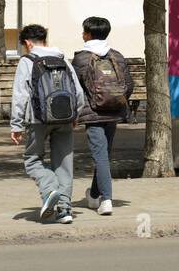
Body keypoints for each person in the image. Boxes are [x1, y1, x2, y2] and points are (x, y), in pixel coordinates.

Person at [10, 24, 85, 224]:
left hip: (37, 118)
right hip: (65, 118)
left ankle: (50, 188)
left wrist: (16, 125)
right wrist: (76, 113)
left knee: (32, 159)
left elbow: (20, 94)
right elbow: (78, 91)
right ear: (45, 39)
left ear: (27, 43)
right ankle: (64, 210)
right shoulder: (62, 59)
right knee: (64, 163)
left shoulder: (27, 61)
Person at [72, 16, 133, 216]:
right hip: (114, 111)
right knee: (103, 155)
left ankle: (106, 200)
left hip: (93, 114)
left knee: (101, 156)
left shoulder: (81, 57)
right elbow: (128, 85)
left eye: (84, 31)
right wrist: (115, 101)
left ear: (88, 34)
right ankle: (94, 194)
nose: (82, 34)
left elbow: (75, 88)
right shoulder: (117, 56)